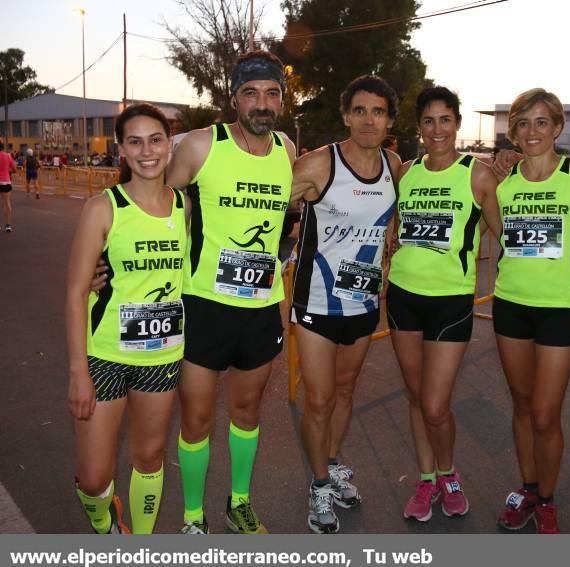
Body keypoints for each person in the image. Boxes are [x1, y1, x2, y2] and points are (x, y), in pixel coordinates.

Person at [167, 50, 295, 535]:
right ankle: (193, 516)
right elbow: (152, 200)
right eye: (251, 93)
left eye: (271, 94)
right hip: (203, 306)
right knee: (196, 418)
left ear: (281, 99)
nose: (262, 103)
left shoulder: (286, 147)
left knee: (246, 413)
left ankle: (238, 503)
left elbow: (298, 204)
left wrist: (285, 251)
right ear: (233, 98)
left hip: (260, 309)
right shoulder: (203, 145)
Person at [65, 103, 188, 534]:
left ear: (169, 144)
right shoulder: (104, 207)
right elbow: (77, 291)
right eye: (134, 141)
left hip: (162, 356)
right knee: (95, 477)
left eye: (155, 139)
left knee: (149, 458)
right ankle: (107, 525)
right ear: (122, 149)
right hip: (105, 356)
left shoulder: (184, 207)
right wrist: (78, 372)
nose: (147, 150)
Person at [290, 75, 401, 534]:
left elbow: (392, 217)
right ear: (345, 116)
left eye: (377, 111)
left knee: (345, 392)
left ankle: (332, 465)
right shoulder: (318, 164)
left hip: (362, 302)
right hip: (317, 300)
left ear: (389, 119)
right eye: (359, 110)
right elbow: (261, 205)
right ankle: (317, 486)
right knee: (317, 399)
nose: (368, 119)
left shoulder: (395, 164)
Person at [387, 86, 500, 522]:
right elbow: (393, 227)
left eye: (446, 120)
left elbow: (506, 235)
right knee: (416, 397)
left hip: (451, 301)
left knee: (436, 403)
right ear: (419, 127)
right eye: (429, 121)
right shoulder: (406, 174)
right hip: (403, 297)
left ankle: (449, 473)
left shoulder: (478, 174)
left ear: (457, 123)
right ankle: (426, 478)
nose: (437, 129)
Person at [491, 89, 570, 534]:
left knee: (547, 414)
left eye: (541, 122)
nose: (532, 132)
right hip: (511, 303)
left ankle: (546, 500)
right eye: (523, 123)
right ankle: (528, 487)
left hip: (560, 309)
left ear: (557, 127)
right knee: (522, 404)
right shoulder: (502, 181)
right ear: (513, 130)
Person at [0, 143, 15, 232]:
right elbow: (14, 169)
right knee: (7, 203)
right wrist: (8, 170)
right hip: (5, 181)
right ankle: (8, 225)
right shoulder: (8, 156)